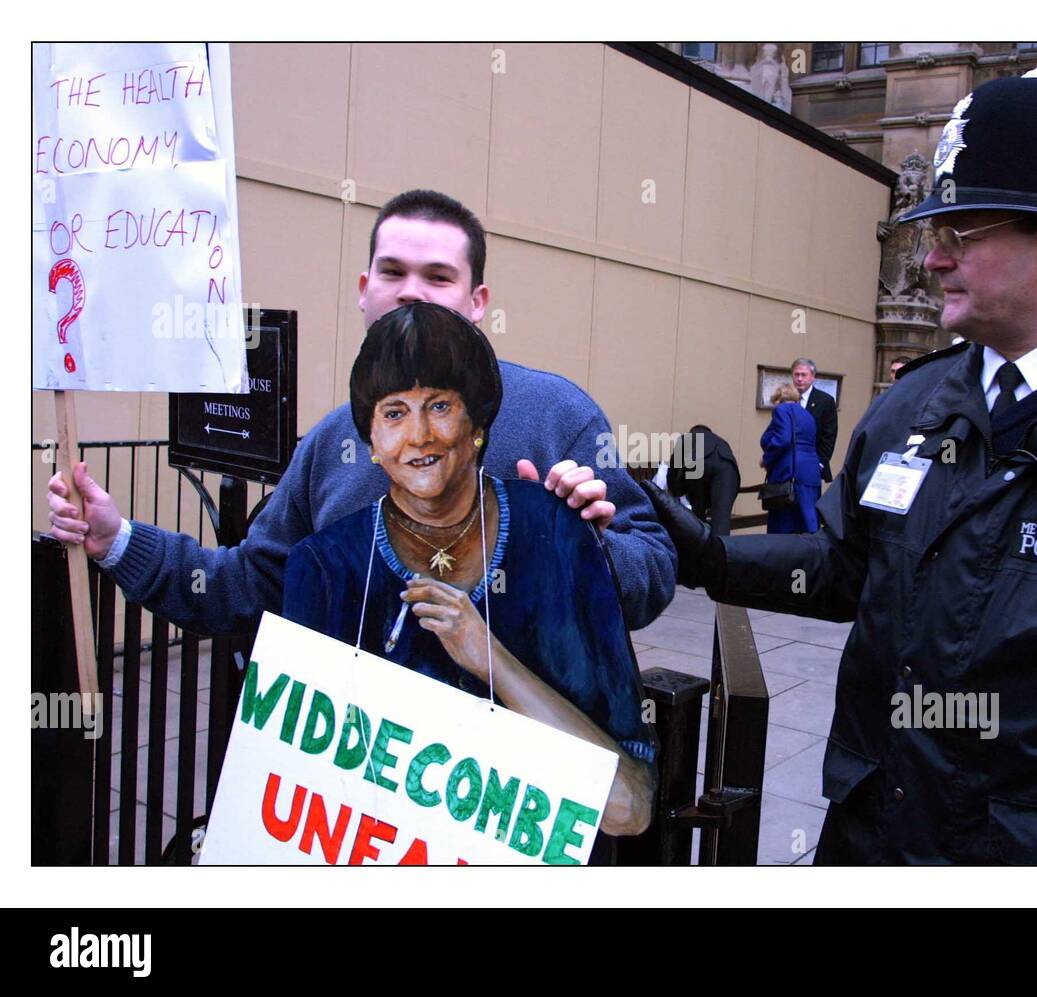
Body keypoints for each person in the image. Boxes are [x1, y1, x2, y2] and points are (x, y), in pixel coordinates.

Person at [642, 68, 1037, 864]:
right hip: (885, 838)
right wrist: (710, 555)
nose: (931, 260)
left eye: (958, 233)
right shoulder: (913, 404)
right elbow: (844, 564)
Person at [46, 189, 676, 634]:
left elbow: (654, 568)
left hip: (504, 800)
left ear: (477, 300)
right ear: (364, 290)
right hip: (354, 793)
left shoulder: (556, 416)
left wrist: (584, 551)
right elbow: (251, 585)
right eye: (392, 270)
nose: (410, 291)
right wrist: (118, 542)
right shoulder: (327, 444)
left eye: (438, 276)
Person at [283, 302, 655, 842]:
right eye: (393, 412)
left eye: (439, 406)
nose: (418, 436)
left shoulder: (553, 534)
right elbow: (301, 788)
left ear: (478, 423)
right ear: (370, 440)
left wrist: (490, 659)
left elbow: (629, 805)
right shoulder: (323, 567)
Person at [760, 385, 820, 534]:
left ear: (778, 399)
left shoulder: (782, 410)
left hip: (788, 472)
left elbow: (783, 439)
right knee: (807, 521)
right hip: (810, 472)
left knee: (783, 523)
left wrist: (766, 459)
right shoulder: (808, 415)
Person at [664, 425, 740, 539]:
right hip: (728, 469)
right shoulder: (721, 442)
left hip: (698, 465)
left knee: (697, 517)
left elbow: (674, 469)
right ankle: (722, 552)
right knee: (722, 520)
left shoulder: (687, 438)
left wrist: (674, 490)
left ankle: (699, 550)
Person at [791, 358, 838, 483]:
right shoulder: (786, 398)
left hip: (812, 466)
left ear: (813, 377)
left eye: (803, 375)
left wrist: (819, 464)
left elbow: (829, 436)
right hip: (787, 465)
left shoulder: (825, 401)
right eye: (796, 375)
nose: (799, 379)